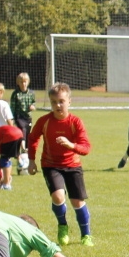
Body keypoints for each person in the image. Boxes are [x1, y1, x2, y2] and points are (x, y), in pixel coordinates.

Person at [27, 83, 93, 246]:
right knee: (58, 196)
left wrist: (71, 145)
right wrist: (31, 160)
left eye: (61, 101)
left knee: (77, 202)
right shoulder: (44, 121)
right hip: (51, 165)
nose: (57, 105)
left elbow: (86, 148)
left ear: (69, 101)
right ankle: (62, 226)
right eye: (53, 101)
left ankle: (86, 235)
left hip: (72, 165)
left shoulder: (75, 122)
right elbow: (33, 138)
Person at [10, 72, 37, 148]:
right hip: (19, 117)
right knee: (22, 131)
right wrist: (12, 118)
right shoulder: (15, 94)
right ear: (18, 83)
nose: (23, 84)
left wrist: (33, 106)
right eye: (21, 82)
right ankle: (23, 149)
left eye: (25, 82)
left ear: (28, 82)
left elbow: (33, 102)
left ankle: (25, 151)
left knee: (27, 134)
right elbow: (12, 107)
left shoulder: (31, 93)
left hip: (28, 117)